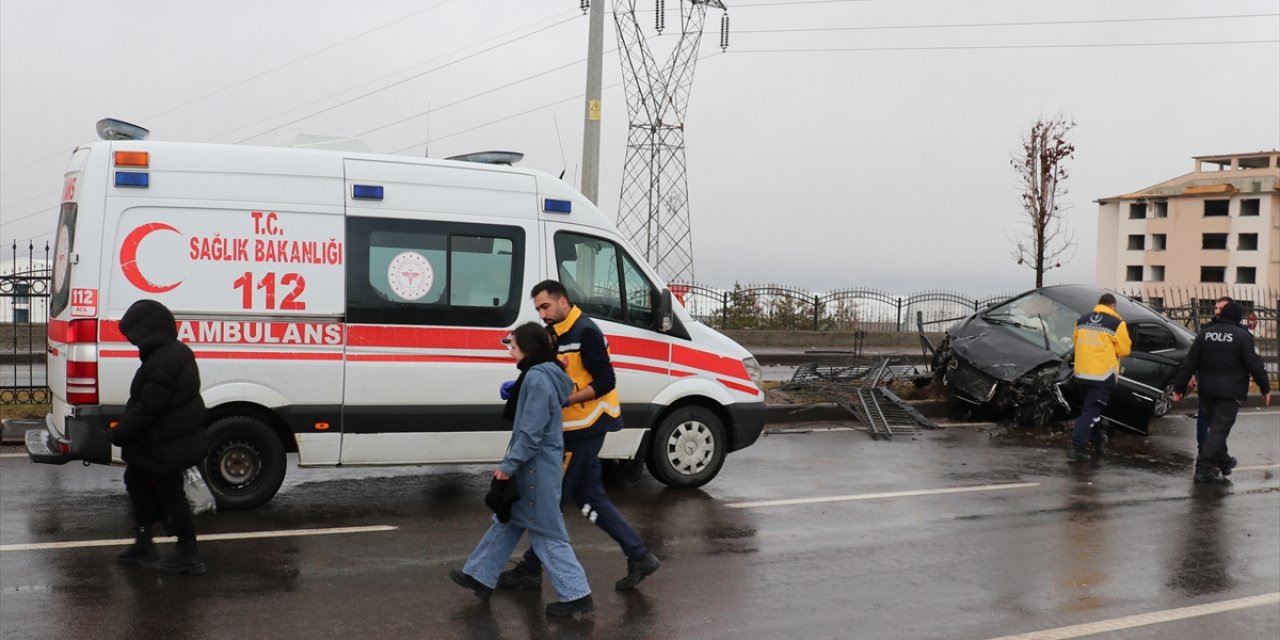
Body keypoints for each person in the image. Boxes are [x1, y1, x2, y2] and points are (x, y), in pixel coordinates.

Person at [499, 280, 661, 592]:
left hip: (588, 425)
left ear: (563, 301)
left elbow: (606, 380)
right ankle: (639, 555)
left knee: (551, 499)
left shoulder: (585, 332)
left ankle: (531, 569)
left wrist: (565, 400)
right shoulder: (556, 332)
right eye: (538, 309)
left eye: (545, 306)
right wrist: (519, 387)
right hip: (570, 428)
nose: (542, 313)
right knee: (590, 498)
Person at [450, 322, 594, 617]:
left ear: (528, 349)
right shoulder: (539, 374)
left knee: (547, 533)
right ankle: (480, 575)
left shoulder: (538, 379)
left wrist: (508, 465)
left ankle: (577, 594)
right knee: (507, 518)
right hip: (535, 466)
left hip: (535, 469)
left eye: (513, 347)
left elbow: (531, 432)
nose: (511, 353)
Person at [109, 299, 208, 575]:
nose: (133, 343)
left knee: (170, 493)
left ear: (147, 331)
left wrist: (118, 433)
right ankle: (144, 541)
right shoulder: (169, 353)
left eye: (134, 337)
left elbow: (148, 407)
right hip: (163, 439)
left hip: (167, 443)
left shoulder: (164, 359)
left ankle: (189, 553)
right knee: (137, 481)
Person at [1171, 302, 1272, 483]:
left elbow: (1190, 362)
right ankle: (1202, 470)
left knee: (1216, 431)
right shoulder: (1242, 336)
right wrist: (1265, 388)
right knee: (1218, 431)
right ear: (1237, 317)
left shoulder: (1205, 334)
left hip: (1207, 390)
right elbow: (1255, 365)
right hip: (1231, 392)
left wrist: (1178, 388)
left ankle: (1225, 463)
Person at [1067, 293, 1132, 462]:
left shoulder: (1081, 320)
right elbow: (1125, 350)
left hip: (1081, 373)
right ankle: (1077, 446)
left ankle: (1097, 441)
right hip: (1102, 375)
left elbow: (1075, 342)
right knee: (1091, 410)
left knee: (1090, 409)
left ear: (1099, 305)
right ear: (1113, 306)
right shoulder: (1117, 324)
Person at [1191, 296, 1234, 451]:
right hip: (1208, 382)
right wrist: (1193, 374)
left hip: (1229, 385)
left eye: (1221, 309)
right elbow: (1195, 356)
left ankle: (1217, 456)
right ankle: (1205, 450)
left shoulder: (1239, 332)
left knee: (1221, 422)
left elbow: (1250, 359)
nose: (1217, 312)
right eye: (1216, 308)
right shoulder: (1206, 329)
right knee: (1204, 416)